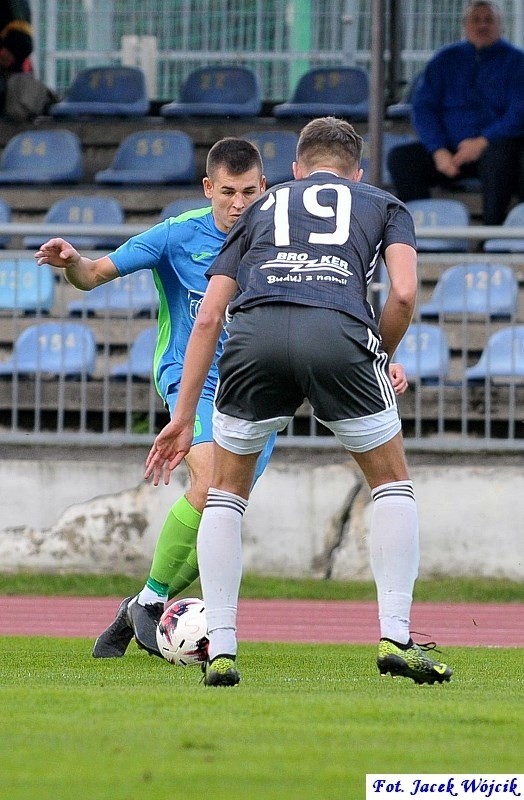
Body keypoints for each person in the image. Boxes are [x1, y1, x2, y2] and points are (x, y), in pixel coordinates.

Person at [144, 116, 454, 688]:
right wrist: (377, 356)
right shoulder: (383, 203)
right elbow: (405, 293)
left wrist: (184, 415)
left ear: (294, 171)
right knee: (392, 484)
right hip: (337, 334)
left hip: (254, 338)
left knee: (225, 495)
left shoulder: (259, 208)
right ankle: (396, 637)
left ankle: (223, 652)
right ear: (357, 172)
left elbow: (210, 313)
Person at [35, 137, 274, 659]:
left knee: (223, 513)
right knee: (210, 484)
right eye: (228, 192)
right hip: (192, 380)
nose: (239, 204)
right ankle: (152, 605)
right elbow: (94, 275)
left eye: (250, 192)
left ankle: (141, 603)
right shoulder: (177, 234)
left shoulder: (278, 238)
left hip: (257, 390)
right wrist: (74, 260)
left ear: (266, 186)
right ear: (208, 188)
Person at [387, 1, 524, 225]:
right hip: (450, 152)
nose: (482, 26)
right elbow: (424, 108)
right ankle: (420, 229)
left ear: (502, 26)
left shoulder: (517, 62)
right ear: (464, 25)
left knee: (500, 157)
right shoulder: (444, 61)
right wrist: (438, 149)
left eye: (488, 20)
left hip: (496, 149)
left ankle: (492, 233)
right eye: (476, 20)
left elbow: (518, 112)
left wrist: (483, 141)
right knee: (402, 158)